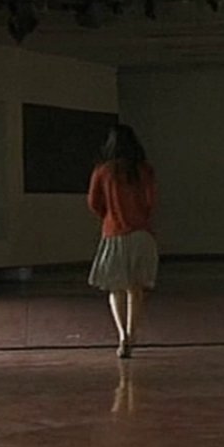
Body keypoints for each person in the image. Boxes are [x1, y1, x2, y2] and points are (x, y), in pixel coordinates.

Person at [87, 124, 159, 359]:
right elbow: (151, 201)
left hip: (114, 233)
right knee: (135, 289)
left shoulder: (102, 171)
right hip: (141, 234)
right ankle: (132, 333)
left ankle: (122, 337)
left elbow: (94, 203)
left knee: (116, 288)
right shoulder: (144, 170)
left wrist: (109, 216)